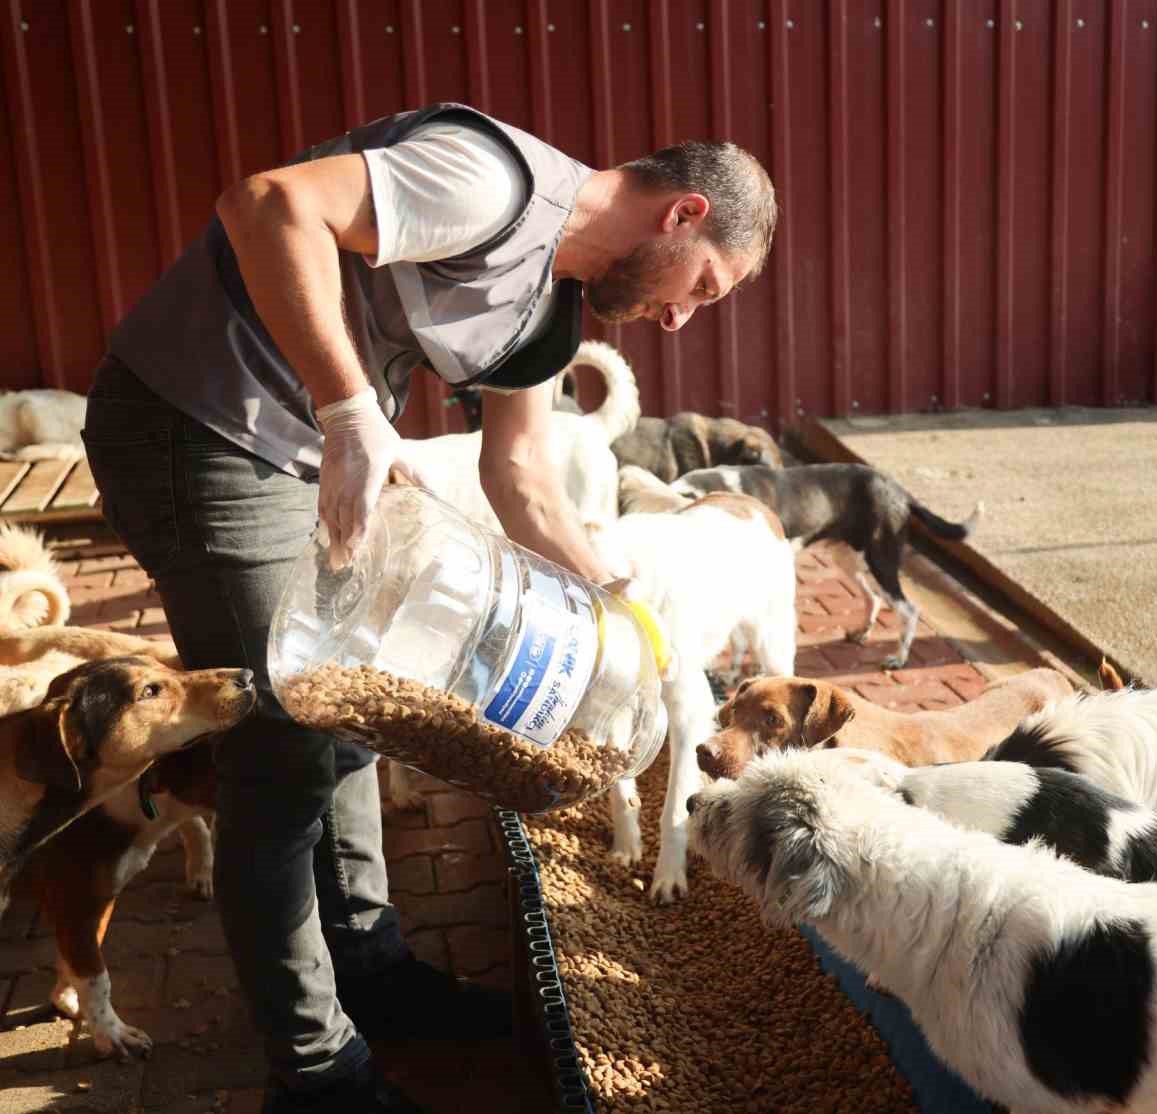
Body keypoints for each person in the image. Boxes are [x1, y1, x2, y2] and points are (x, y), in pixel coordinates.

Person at [81, 102, 776, 1113]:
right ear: (682, 213)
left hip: (300, 450)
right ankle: (315, 1071)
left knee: (361, 704)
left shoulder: (548, 307)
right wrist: (351, 408)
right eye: (702, 287)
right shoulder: (493, 184)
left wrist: (617, 602)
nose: (680, 318)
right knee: (278, 749)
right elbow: (267, 203)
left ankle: (370, 965)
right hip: (200, 425)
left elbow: (523, 476)